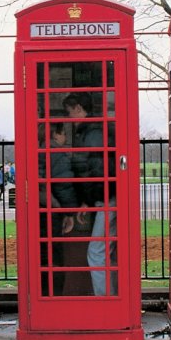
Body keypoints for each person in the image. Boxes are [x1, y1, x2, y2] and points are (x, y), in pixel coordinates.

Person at [67, 93, 117, 296]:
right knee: (106, 251)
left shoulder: (92, 133)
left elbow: (97, 169)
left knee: (96, 252)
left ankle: (105, 302)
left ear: (78, 108)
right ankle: (112, 298)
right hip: (106, 196)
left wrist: (88, 201)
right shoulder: (91, 131)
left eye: (70, 113)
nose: (70, 119)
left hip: (106, 197)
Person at [38, 122, 77, 295]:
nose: (66, 138)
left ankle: (43, 296)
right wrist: (69, 213)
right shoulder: (58, 155)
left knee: (42, 256)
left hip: (39, 208)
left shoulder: (38, 151)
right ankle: (54, 297)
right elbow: (65, 186)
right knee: (55, 257)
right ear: (55, 135)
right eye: (64, 134)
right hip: (53, 210)